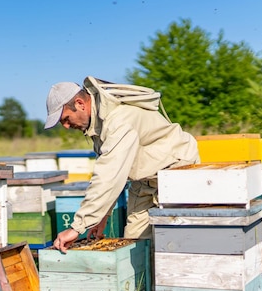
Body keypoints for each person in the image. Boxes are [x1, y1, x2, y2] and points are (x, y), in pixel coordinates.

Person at [45, 76, 200, 253]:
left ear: (80, 104)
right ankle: (145, 281)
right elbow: (113, 171)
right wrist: (101, 216)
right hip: (145, 181)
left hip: (176, 173)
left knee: (175, 245)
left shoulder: (118, 120)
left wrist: (77, 227)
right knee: (135, 243)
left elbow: (109, 174)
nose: (65, 126)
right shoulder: (98, 123)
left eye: (65, 118)